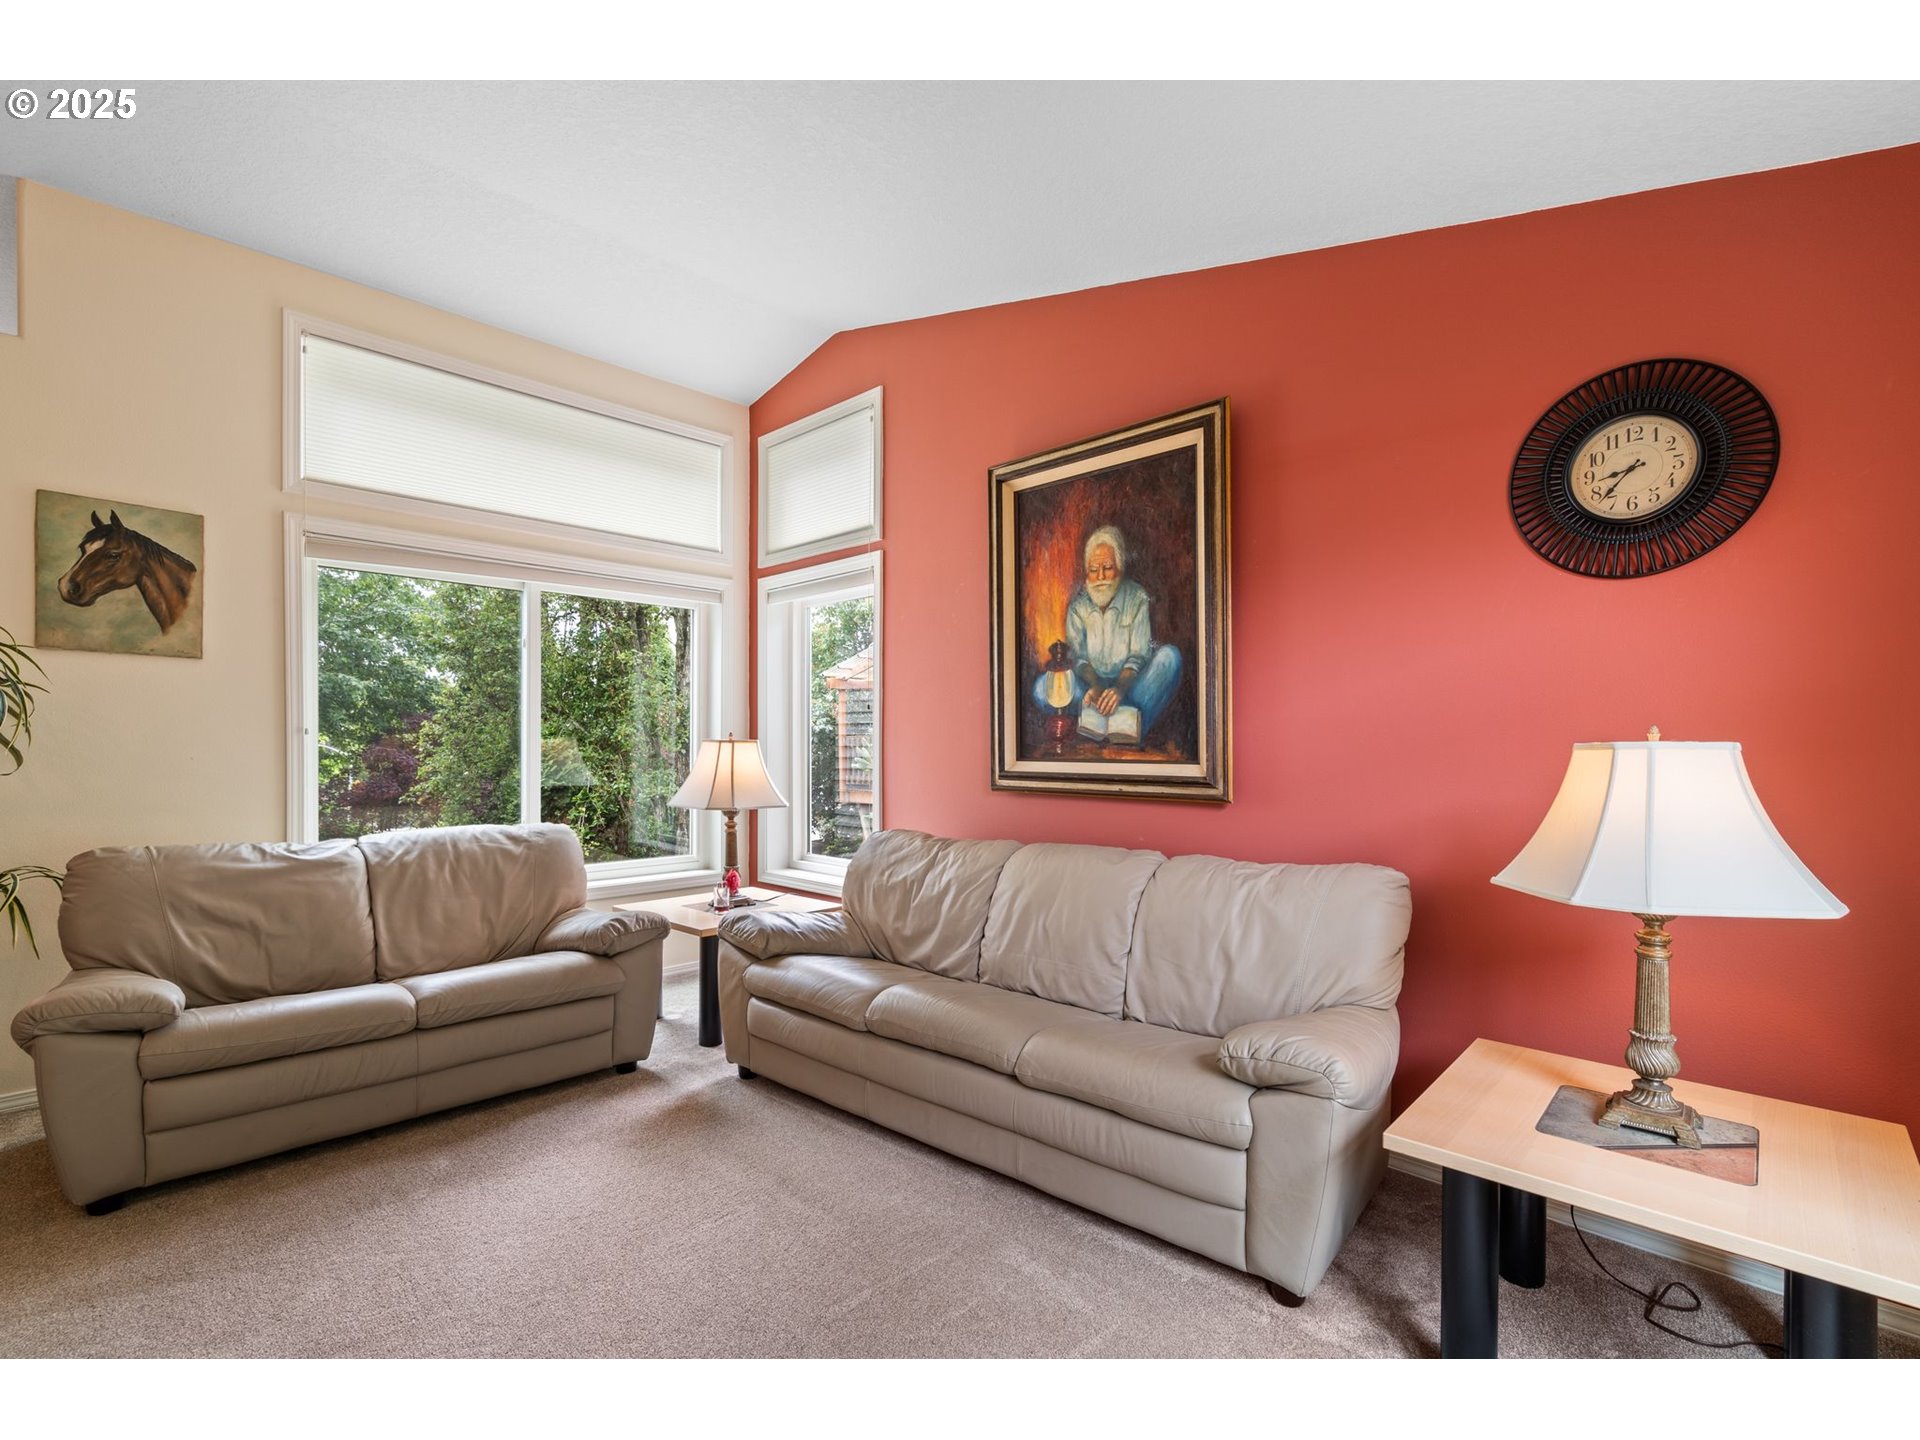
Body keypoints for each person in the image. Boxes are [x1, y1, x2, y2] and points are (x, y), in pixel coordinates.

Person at [1031, 524, 1182, 736]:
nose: (1100, 576)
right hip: (1091, 687)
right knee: (1041, 688)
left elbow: (1138, 656)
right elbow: (1079, 659)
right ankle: (1114, 720)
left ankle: (1126, 725)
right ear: (1086, 572)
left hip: (1131, 686)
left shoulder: (1137, 596)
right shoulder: (1077, 606)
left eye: (1108, 567)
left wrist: (1119, 690)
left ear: (1119, 568)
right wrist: (1097, 686)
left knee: (1170, 657)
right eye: (1093, 570)